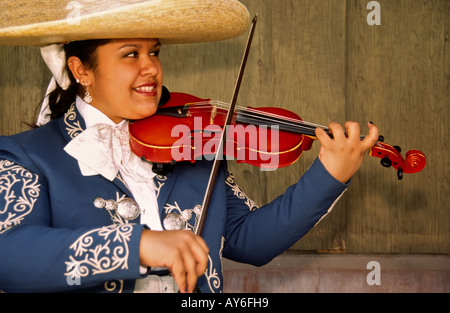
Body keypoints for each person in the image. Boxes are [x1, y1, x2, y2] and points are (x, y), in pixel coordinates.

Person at [0, 0, 379, 293]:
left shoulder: (189, 148)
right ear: (82, 70)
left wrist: (330, 173)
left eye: (155, 51)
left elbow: (251, 240)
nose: (151, 67)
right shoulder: (26, 155)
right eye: (131, 54)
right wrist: (140, 245)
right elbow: (9, 255)